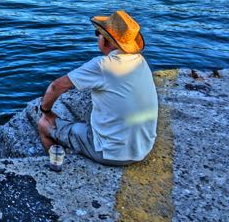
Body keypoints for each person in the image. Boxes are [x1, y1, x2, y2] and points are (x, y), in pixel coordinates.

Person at [37, 10, 158, 166]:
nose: (97, 37)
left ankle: (57, 166)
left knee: (43, 125)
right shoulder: (140, 61)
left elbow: (56, 87)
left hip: (111, 153)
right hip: (143, 148)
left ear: (106, 41)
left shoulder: (103, 65)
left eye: (97, 34)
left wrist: (46, 112)